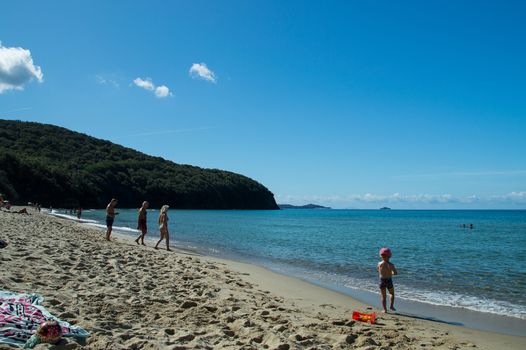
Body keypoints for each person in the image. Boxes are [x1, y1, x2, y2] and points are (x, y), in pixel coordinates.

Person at [378, 247, 398, 313]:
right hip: (389, 280)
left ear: (381, 255)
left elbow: (379, 271)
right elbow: (395, 273)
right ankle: (391, 306)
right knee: (391, 293)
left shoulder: (379, 264)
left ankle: (384, 309)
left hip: (382, 281)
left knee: (383, 297)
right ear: (390, 256)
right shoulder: (391, 265)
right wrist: (391, 272)